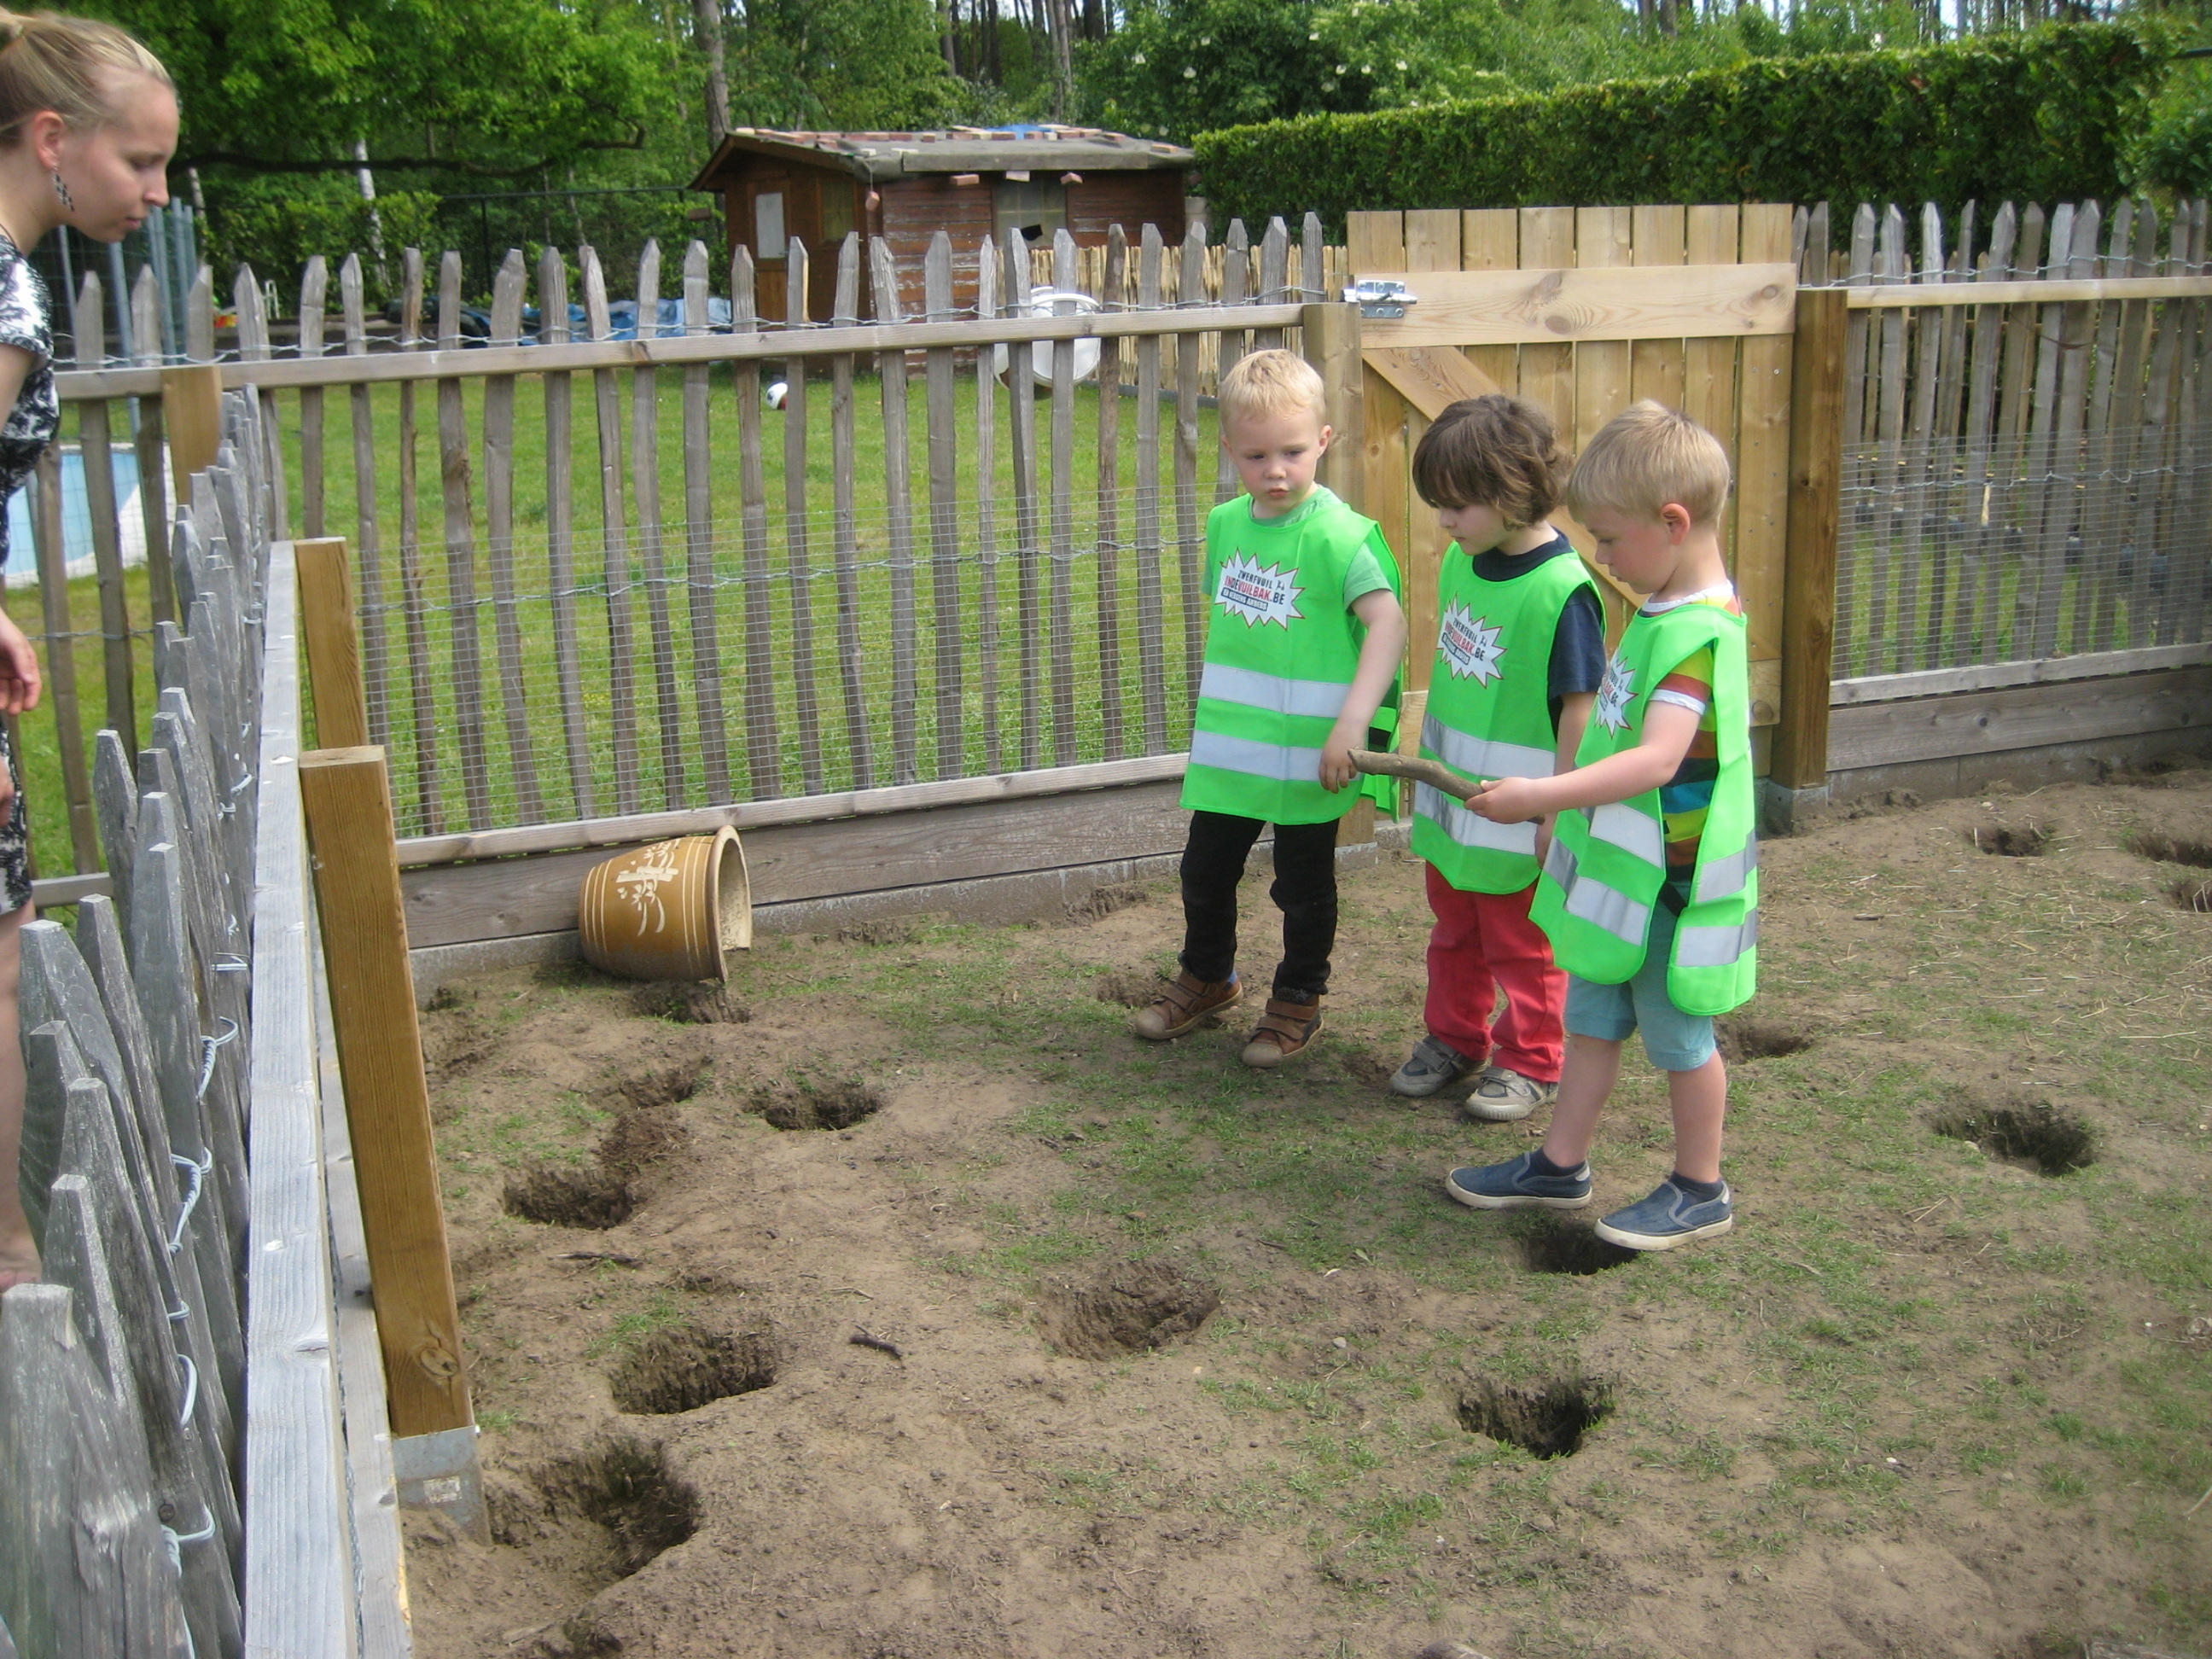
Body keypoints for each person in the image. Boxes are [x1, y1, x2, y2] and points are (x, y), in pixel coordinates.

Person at [1444, 402, 1757, 1250]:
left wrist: (1544, 797)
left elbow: (1657, 760)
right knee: (1591, 1020)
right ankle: (1560, 1164)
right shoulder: (1663, 613)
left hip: (1672, 895)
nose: (1602, 557)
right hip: (1622, 886)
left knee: (1681, 1038)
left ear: (1674, 522)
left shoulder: (1695, 636)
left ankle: (1701, 1188)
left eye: (1610, 540)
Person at [0, 9, 178, 1290]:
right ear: (54, 139)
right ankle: (7, 1262)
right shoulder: (3, 293)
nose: (157, 192)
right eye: (141, 162)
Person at [1132, 348, 1407, 1068]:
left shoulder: (1344, 536)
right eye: (1256, 456)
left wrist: (1352, 726)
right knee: (1204, 868)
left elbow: (1389, 624)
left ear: (1323, 440)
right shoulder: (1225, 526)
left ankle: (1298, 998)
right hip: (1234, 748)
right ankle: (1208, 976)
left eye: (1291, 451)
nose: (1275, 471)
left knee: (1302, 884)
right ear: (1230, 451)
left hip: (1314, 754)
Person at [1390, 395, 1603, 1123]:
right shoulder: (1464, 560)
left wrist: (1556, 808)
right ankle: (1455, 1040)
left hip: (1522, 814)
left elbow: (1580, 708)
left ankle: (1532, 1062)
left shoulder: (1562, 592)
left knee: (1523, 944)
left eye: (1458, 506)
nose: (1444, 522)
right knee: (1454, 933)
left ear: (1513, 496)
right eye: (1439, 505)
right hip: (1457, 808)